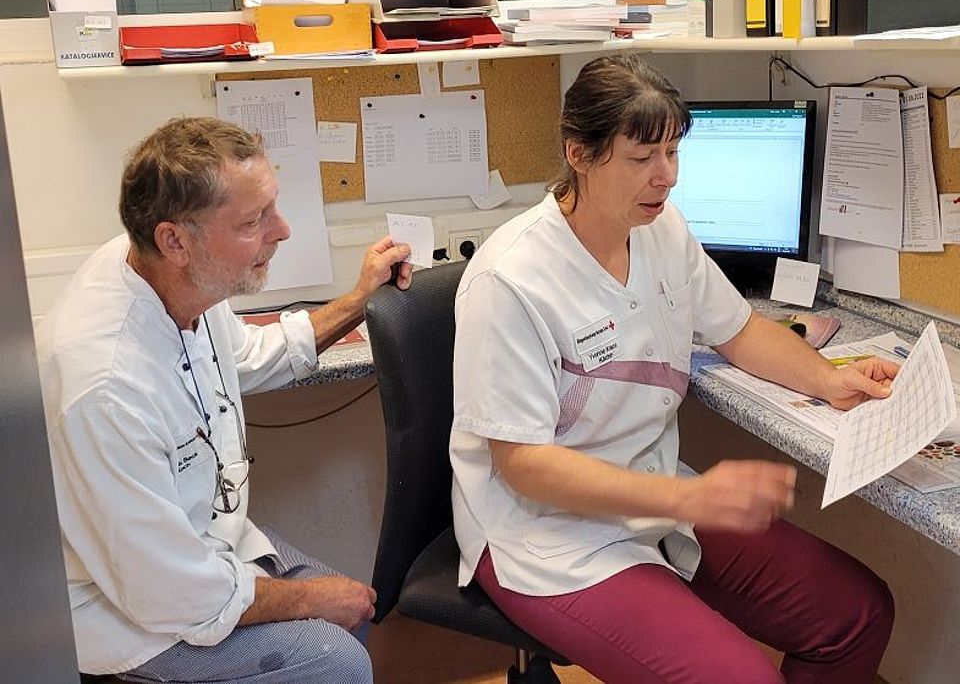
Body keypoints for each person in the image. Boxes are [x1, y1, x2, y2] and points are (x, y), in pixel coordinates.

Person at [450, 53, 897, 684]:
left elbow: (739, 330)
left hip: (654, 494)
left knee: (858, 614)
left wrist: (828, 379)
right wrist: (691, 496)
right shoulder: (510, 279)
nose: (667, 177)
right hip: (549, 538)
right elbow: (523, 465)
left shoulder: (661, 230)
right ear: (579, 153)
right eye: (642, 158)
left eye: (673, 153)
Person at [37, 117, 413, 683]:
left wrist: (357, 301)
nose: (282, 230)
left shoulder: (173, 275)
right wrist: (310, 598)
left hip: (200, 545)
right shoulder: (106, 388)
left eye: (273, 207)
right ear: (175, 241)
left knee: (352, 613)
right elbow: (173, 594)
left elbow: (247, 357)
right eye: (253, 220)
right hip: (124, 611)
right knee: (337, 661)